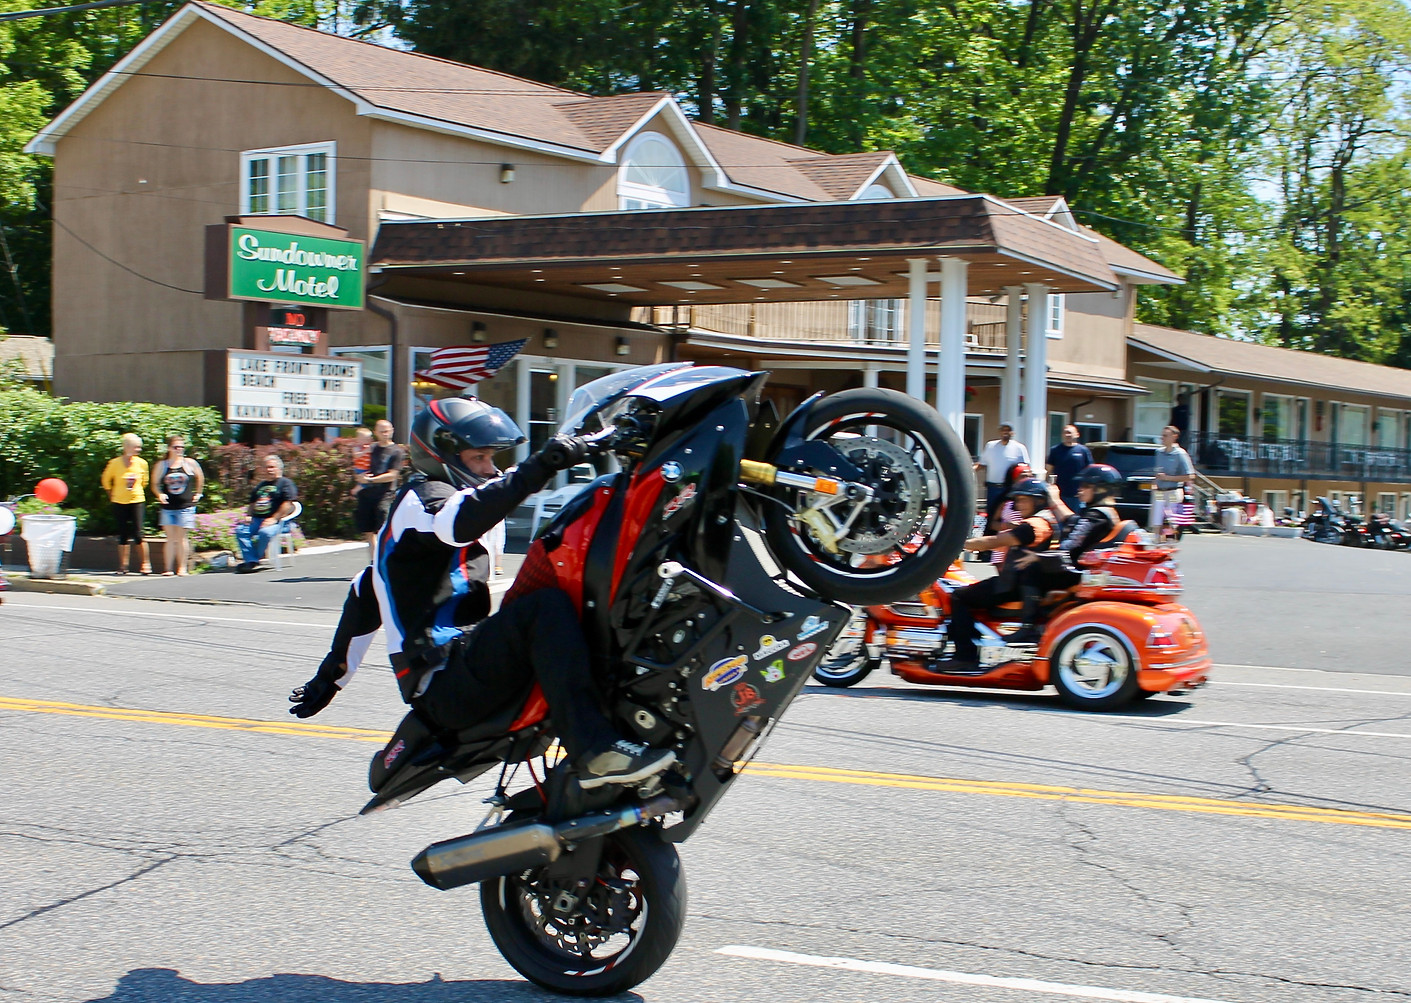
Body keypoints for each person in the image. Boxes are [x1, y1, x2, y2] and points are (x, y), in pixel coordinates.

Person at [287, 397, 675, 790]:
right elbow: (457, 521)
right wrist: (542, 464)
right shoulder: (421, 499)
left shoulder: (415, 525)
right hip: (444, 681)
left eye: (491, 458)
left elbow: (363, 594)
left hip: (466, 666)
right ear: (439, 455)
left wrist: (331, 678)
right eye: (479, 458)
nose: (490, 468)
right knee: (544, 610)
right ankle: (595, 749)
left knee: (580, 602)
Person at [942, 477, 1056, 668]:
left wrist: (957, 544)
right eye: (1017, 500)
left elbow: (995, 542)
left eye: (1023, 500)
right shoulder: (1046, 520)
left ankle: (965, 656)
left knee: (958, 596)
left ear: (1039, 500)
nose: (1018, 505)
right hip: (1022, 583)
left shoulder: (1035, 525)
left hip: (1014, 585)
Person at [234, 454, 298, 573]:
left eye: (271, 467)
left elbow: (288, 503)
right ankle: (252, 561)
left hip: (278, 522)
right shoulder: (261, 485)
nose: (268, 470)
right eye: (266, 467)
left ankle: (254, 560)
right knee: (241, 531)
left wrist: (274, 518)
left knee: (265, 532)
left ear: (279, 468)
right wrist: (249, 515)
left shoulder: (285, 483)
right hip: (257, 520)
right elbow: (252, 503)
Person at [151, 434, 204, 576]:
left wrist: (198, 493)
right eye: (176, 447)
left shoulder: (189, 463)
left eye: (181, 447)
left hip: (185, 506)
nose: (179, 450)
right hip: (168, 507)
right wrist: (159, 494)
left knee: (181, 537)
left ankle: (182, 568)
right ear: (169, 448)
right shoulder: (162, 465)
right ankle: (167, 568)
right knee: (170, 538)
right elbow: (154, 484)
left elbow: (200, 477)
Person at [100, 433, 151, 575]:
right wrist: (112, 494)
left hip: (137, 500)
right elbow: (105, 480)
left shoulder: (142, 463)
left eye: (139, 447)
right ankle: (123, 566)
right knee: (123, 534)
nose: (138, 450)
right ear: (127, 447)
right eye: (136, 447)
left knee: (139, 533)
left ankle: (145, 564)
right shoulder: (115, 463)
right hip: (119, 501)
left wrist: (136, 490)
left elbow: (144, 481)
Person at [353, 419, 404, 556]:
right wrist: (359, 477)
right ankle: (374, 562)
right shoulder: (371, 448)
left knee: (383, 530)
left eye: (387, 431)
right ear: (375, 432)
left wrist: (371, 479)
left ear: (392, 431)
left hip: (385, 495)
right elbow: (358, 463)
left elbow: (392, 475)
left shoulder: (396, 451)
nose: (385, 434)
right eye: (381, 431)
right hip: (366, 494)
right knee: (368, 532)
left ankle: (386, 560)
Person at [975, 424, 1031, 530]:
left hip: (1010, 489)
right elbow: (982, 464)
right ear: (999, 432)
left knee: (1008, 516)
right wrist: (970, 470)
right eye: (1003, 430)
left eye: (1008, 430)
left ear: (1012, 433)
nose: (1005, 432)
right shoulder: (990, 446)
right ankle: (989, 540)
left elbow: (1026, 468)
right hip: (992, 488)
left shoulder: (1019, 448)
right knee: (991, 516)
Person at [1150, 425, 1195, 540]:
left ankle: (1169, 544)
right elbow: (1157, 472)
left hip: (1173, 491)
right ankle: (1156, 546)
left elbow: (1190, 476)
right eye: (1162, 435)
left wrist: (1168, 478)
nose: (1162, 438)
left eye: (1165, 435)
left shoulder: (1180, 454)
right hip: (1159, 491)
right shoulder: (1158, 453)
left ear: (1174, 437)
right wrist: (1155, 482)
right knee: (1156, 522)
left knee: (1171, 521)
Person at [1045, 424, 1093, 513]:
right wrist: (1048, 485)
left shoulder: (1083, 450)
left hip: (1078, 494)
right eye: (1065, 433)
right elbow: (1049, 469)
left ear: (1077, 435)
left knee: (1077, 519)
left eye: (1069, 433)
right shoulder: (1055, 450)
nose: (1067, 435)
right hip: (1060, 493)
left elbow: (1090, 470)